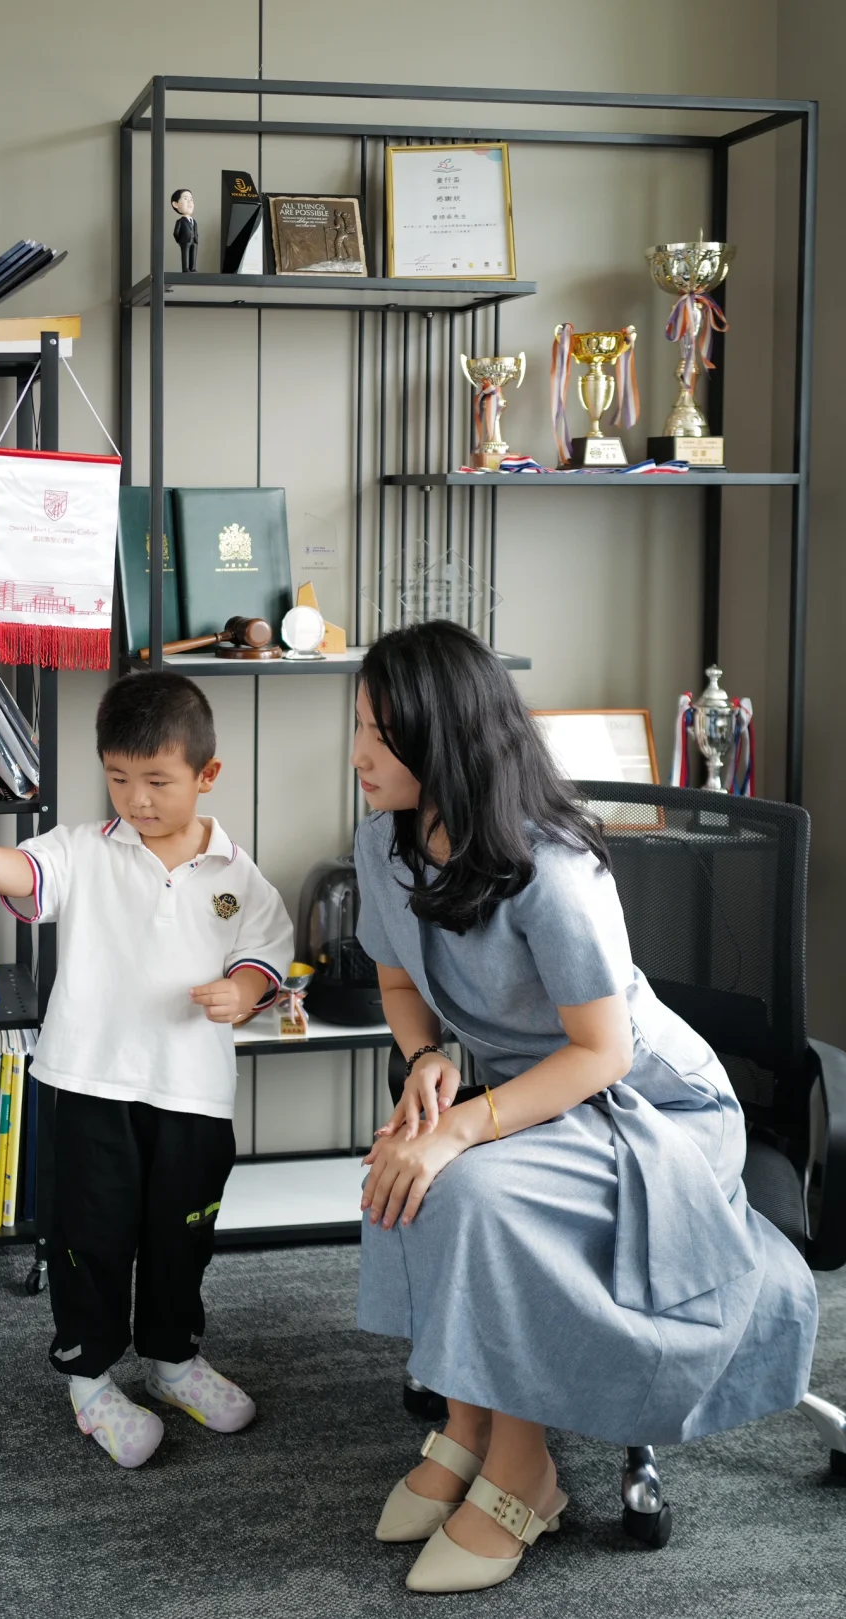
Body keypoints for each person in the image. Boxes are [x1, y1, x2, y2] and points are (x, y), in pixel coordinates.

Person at [349, 620, 818, 1594]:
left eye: (382, 736)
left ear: (447, 740)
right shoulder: (381, 840)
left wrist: (463, 1126)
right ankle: (467, 1423)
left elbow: (604, 1052)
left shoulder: (551, 864)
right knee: (404, 1159)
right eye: (358, 727)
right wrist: (426, 1058)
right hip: (538, 1091)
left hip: (651, 1106)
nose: (359, 754)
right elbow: (397, 979)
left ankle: (525, 1467)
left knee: (473, 1189)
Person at [0, 672, 293, 1468]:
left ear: (207, 774)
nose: (137, 798)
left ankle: (173, 1360)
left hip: (193, 1093)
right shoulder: (83, 848)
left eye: (158, 780)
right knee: (89, 1239)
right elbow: (29, 872)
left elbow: (268, 953)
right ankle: (91, 1378)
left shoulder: (239, 876)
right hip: (89, 1084)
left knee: (182, 1238)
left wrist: (243, 989)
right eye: (119, 777)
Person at [171, 187, 198, 272]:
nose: (189, 202)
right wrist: (180, 241)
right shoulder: (180, 221)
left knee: (193, 254)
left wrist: (196, 239)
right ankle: (185, 268)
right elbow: (176, 233)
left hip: (194, 241)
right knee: (185, 254)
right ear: (176, 204)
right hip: (185, 241)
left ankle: (193, 268)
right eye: (185, 198)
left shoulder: (194, 221)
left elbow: (195, 231)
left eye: (191, 199)